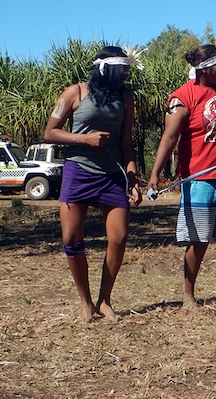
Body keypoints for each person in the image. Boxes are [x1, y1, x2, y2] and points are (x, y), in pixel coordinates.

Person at [147, 42, 216, 311]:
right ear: (204, 69)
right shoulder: (183, 96)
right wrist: (154, 174)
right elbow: (169, 137)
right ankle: (188, 296)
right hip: (200, 179)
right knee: (199, 238)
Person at [44, 46, 142, 323]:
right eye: (121, 71)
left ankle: (105, 300)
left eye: (128, 71)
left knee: (119, 237)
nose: (126, 76)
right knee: (71, 240)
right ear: (105, 70)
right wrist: (84, 140)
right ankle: (85, 302)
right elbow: (50, 132)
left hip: (112, 174)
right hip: (79, 172)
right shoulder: (74, 92)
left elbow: (126, 142)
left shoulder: (126, 98)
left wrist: (133, 178)